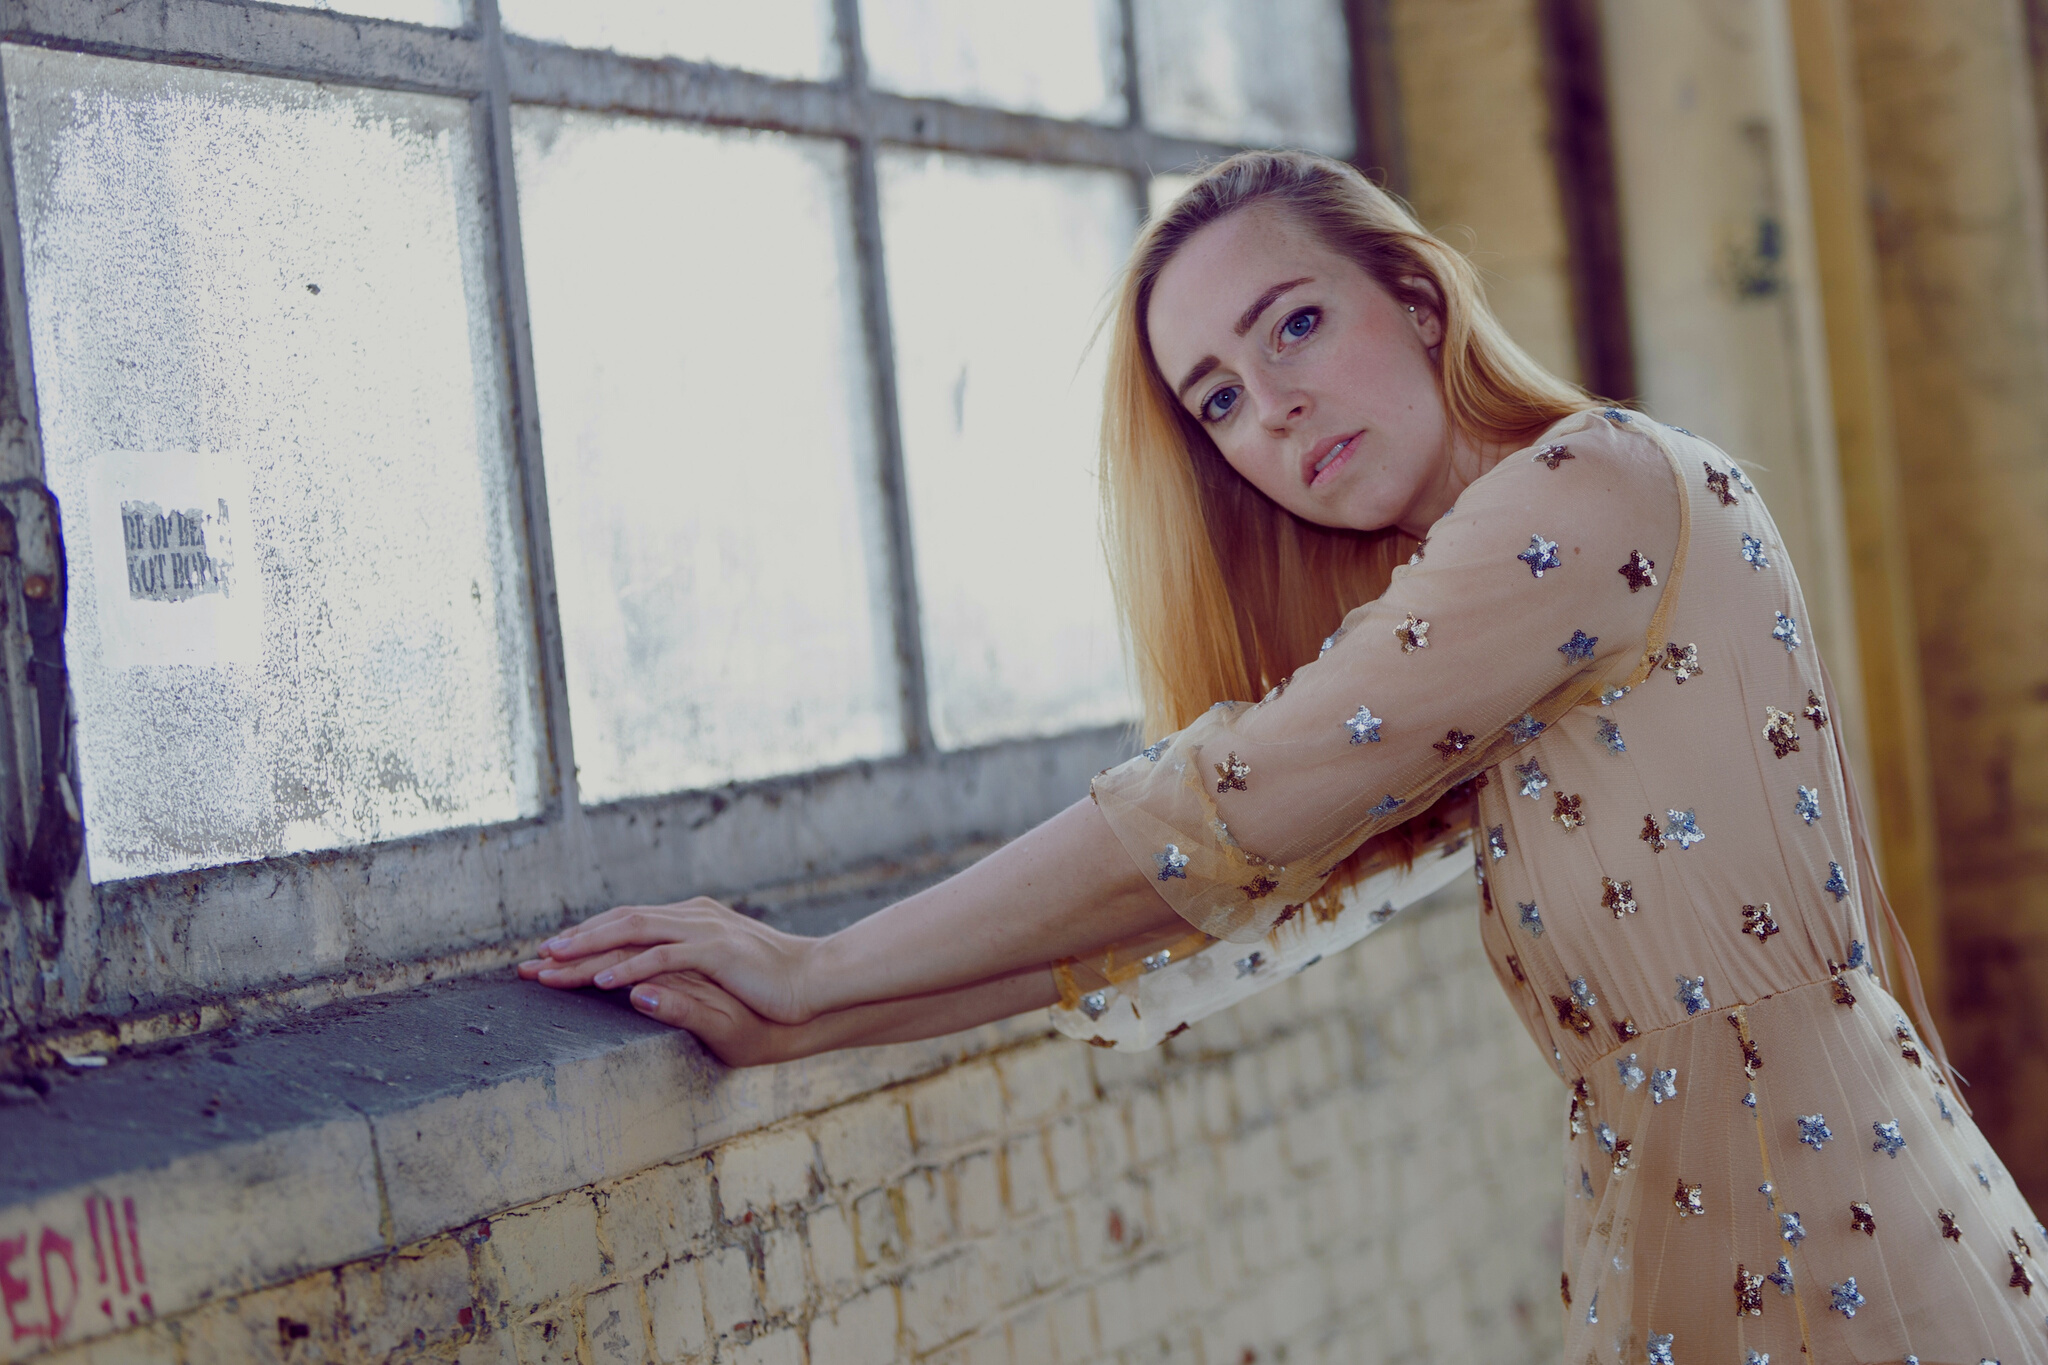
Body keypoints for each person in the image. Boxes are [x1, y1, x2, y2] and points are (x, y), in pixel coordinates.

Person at [520, 150, 2045, 1362]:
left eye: (1295, 324)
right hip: (1719, 1216)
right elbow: (1202, 905)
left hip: (1821, 1234)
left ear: (1418, 301)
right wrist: (815, 1020)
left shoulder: (1589, 491)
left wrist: (818, 967)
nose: (1276, 405)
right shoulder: (1495, 617)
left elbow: (1220, 813)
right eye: (1222, 400)